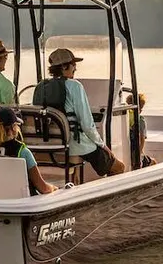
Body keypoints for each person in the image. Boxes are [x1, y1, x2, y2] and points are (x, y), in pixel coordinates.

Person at [34, 48, 125, 177]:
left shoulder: (40, 87)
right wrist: (103, 145)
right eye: (73, 64)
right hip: (73, 145)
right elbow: (87, 125)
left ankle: (75, 182)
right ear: (64, 66)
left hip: (48, 145)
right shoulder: (75, 86)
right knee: (119, 167)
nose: (75, 68)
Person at [0, 107, 58, 195]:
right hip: (22, 199)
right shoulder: (23, 152)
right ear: (13, 128)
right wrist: (53, 188)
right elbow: (43, 188)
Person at [126, 93, 157, 168]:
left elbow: (141, 139)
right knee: (153, 162)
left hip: (132, 150)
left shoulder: (131, 119)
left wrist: (139, 153)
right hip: (134, 150)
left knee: (148, 161)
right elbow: (141, 139)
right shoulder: (138, 120)